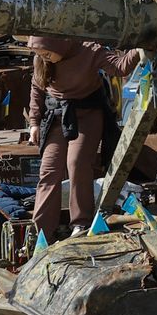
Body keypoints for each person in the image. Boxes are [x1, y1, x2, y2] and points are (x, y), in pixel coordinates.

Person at [26, 35, 145, 236]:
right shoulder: (42, 57)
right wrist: (34, 123)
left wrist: (141, 47)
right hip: (57, 115)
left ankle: (80, 223)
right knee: (49, 170)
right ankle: (41, 232)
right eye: (39, 54)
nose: (44, 57)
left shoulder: (89, 51)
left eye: (47, 53)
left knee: (78, 163)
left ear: (60, 44)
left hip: (87, 114)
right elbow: (37, 87)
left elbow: (120, 67)